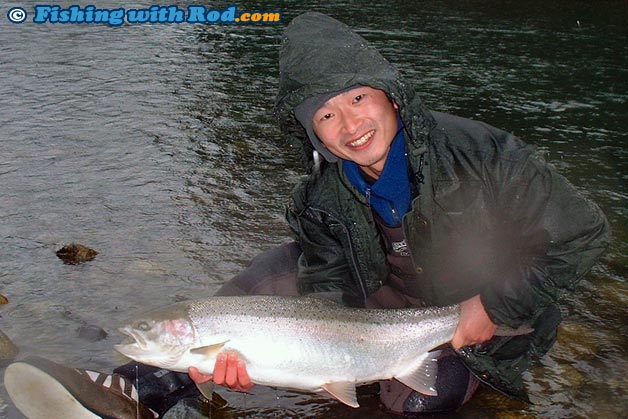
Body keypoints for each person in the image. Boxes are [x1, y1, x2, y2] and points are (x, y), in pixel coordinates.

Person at [4, 11, 609, 419]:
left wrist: (494, 307)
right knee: (262, 280)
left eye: (357, 98)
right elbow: (327, 288)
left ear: (389, 97)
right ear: (312, 133)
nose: (349, 125)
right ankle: (137, 390)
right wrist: (295, 356)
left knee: (422, 402)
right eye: (325, 116)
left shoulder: (483, 154)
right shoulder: (320, 196)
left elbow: (584, 234)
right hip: (387, 307)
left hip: (482, 305)